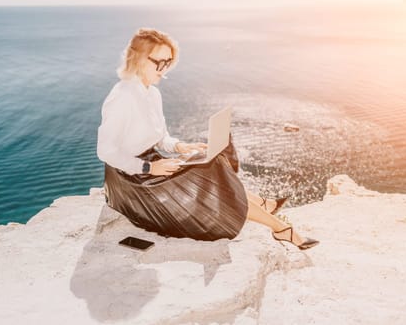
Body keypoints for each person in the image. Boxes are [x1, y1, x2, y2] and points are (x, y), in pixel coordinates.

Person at [96, 27, 319, 250]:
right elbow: (106, 152)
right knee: (210, 176)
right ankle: (279, 227)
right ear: (139, 58)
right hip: (131, 179)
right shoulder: (122, 96)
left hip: (153, 164)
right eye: (160, 62)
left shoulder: (152, 94)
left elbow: (161, 137)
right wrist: (148, 168)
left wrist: (182, 147)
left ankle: (266, 209)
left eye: (168, 62)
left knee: (210, 159)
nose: (165, 70)